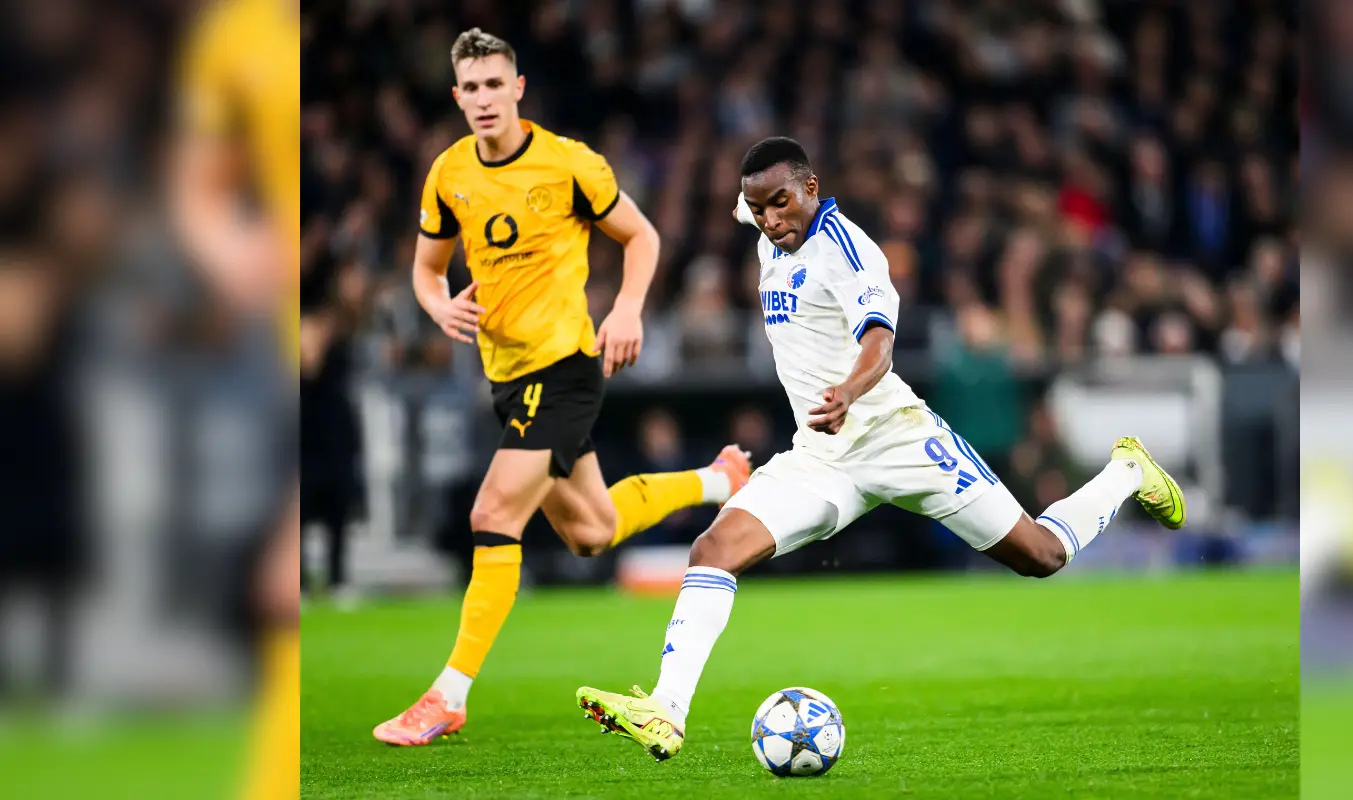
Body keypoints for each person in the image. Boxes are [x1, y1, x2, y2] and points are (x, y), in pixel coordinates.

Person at [576, 137, 1187, 762]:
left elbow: (879, 343)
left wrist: (847, 390)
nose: (771, 220)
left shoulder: (849, 250)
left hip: (898, 437)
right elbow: (745, 201)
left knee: (1041, 555)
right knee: (714, 550)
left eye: (781, 203)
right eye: (758, 210)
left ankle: (1126, 471)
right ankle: (666, 711)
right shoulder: (766, 221)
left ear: (811, 188)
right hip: (821, 455)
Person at [372, 29, 752, 747]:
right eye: (471, 88)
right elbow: (426, 269)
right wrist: (439, 306)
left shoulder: (569, 163)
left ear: (518, 88)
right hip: (507, 379)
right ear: (457, 97)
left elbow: (642, 237)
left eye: (495, 84)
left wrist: (628, 308)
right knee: (591, 530)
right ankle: (718, 480)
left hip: (565, 370)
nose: (484, 98)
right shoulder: (449, 174)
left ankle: (447, 695)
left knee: (493, 511)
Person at [171, 1, 300, 797]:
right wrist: (235, 256)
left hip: (288, 363)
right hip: (258, 357)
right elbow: (200, 190)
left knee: (283, 590)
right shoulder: (235, 35)